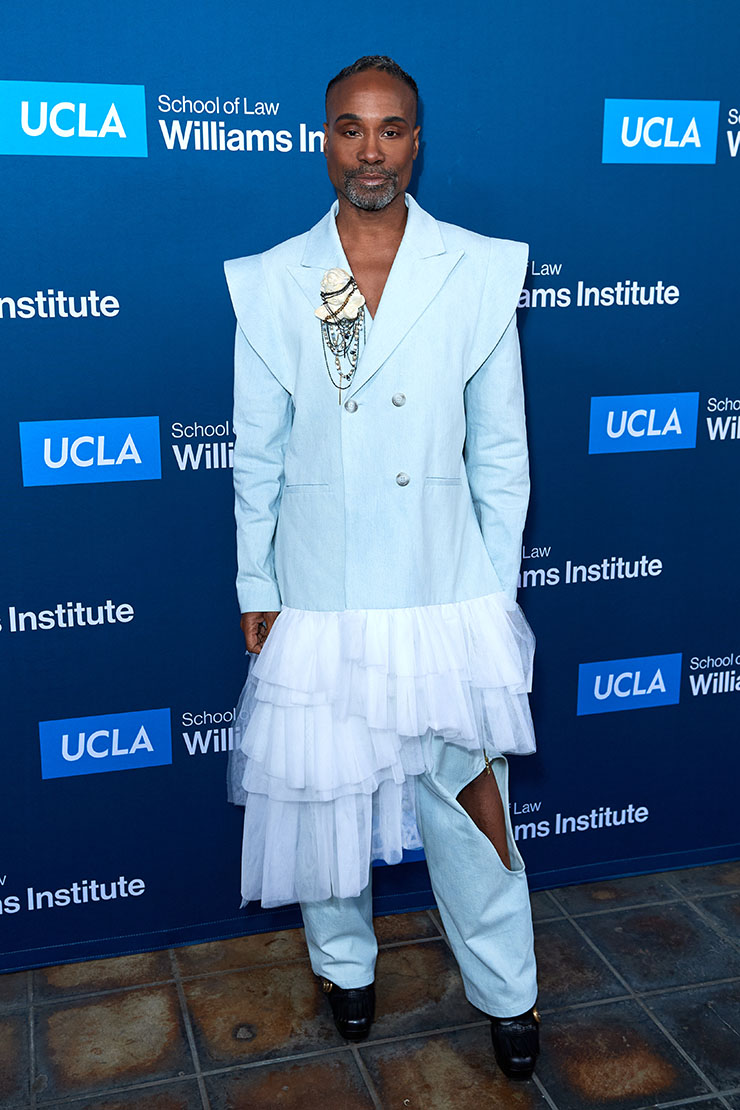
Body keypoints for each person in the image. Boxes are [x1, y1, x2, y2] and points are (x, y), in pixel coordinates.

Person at [224, 55, 541, 1081]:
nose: (370, 151)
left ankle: (507, 989)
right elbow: (256, 451)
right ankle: (344, 967)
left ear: (416, 141)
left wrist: (490, 594)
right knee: (323, 799)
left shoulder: (475, 269)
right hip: (320, 587)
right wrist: (254, 584)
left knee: (471, 807)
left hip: (443, 587)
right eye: (350, 129)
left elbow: (499, 453)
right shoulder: (281, 280)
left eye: (390, 129)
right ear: (323, 139)